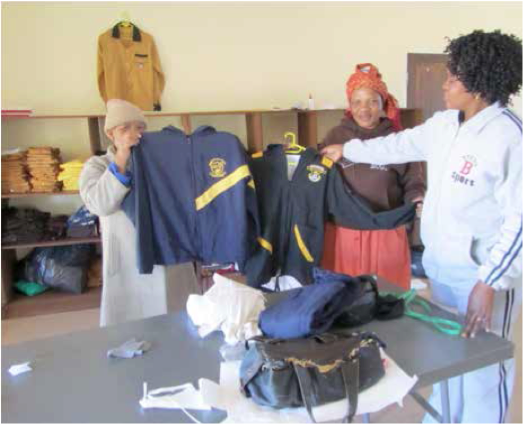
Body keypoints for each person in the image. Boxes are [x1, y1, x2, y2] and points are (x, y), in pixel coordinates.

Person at [321, 30, 522, 423]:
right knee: (448, 358)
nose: (445, 83)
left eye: (453, 77)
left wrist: (490, 281)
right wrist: (348, 149)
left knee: (483, 368)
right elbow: (396, 146)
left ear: (479, 83)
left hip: (481, 276)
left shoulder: (510, 137)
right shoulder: (445, 125)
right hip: (442, 267)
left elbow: (521, 219)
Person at [79, 99, 197, 326]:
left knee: (178, 322)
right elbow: (100, 204)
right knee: (129, 327)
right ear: (111, 134)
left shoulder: (161, 162)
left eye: (139, 128)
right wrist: (122, 159)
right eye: (125, 128)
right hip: (126, 257)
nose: (134, 134)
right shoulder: (97, 166)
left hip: (169, 251)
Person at [320, 63, 425, 289]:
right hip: (343, 233)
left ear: (383, 104)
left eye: (372, 101)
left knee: (386, 295)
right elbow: (319, 177)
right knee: (341, 296)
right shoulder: (335, 136)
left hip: (385, 231)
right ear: (349, 105)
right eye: (357, 102)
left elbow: (414, 181)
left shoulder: (398, 141)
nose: (364, 109)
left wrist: (416, 199)